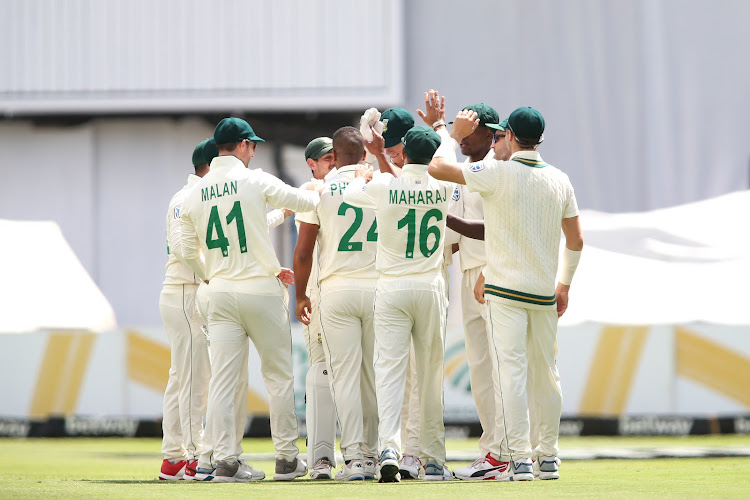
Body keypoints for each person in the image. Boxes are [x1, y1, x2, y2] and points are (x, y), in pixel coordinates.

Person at [429, 106, 584, 481]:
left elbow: (436, 169)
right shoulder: (560, 178)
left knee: (510, 373)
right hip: (543, 292)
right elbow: (576, 240)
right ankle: (547, 456)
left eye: (501, 135)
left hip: (504, 291)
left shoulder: (497, 172)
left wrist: (449, 135)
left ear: (512, 136)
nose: (498, 140)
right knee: (546, 373)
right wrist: (564, 284)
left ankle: (518, 460)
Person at [180, 117, 321, 482]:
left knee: (225, 381)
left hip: (220, 291)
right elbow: (305, 200)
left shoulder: (193, 192)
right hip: (259, 288)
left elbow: (185, 250)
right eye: (252, 144)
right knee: (278, 376)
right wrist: (323, 185)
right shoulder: (254, 178)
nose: (254, 149)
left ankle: (226, 460)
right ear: (242, 145)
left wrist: (208, 271)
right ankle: (287, 458)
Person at [344, 125, 454, 482]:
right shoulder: (444, 187)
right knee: (430, 371)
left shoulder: (384, 186)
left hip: (392, 286)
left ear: (403, 153)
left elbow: (351, 195)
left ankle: (389, 447)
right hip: (429, 285)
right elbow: (440, 164)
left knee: (390, 371)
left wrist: (363, 174)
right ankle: (431, 458)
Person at [294, 127, 379, 481]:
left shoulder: (320, 191)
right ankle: (373, 457)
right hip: (377, 288)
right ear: (363, 156)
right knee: (372, 377)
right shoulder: (377, 185)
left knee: (340, 377)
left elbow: (302, 252)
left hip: (334, 289)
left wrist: (299, 295)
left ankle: (354, 459)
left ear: (337, 157)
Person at [157, 137, 217, 481]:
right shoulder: (187, 198)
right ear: (209, 167)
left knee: (182, 377)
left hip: (185, 291)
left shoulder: (194, 196)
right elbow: (183, 249)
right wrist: (210, 276)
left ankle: (173, 459)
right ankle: (195, 458)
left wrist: (276, 215)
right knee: (194, 378)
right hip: (185, 291)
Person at [296, 137, 339, 480]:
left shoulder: (348, 187)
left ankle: (363, 453)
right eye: (327, 158)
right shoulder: (310, 191)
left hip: (347, 289)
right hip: (319, 290)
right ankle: (321, 455)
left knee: (362, 373)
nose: (333, 162)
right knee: (321, 371)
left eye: (336, 157)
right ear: (312, 163)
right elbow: (304, 251)